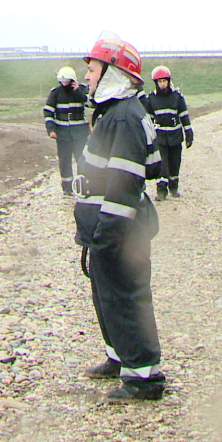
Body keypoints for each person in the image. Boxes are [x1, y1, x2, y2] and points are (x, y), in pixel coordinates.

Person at [72, 32, 166, 401]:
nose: (88, 77)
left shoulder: (124, 118)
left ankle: (144, 378)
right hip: (107, 227)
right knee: (106, 296)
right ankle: (119, 358)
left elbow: (126, 184)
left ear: (112, 71)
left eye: (93, 68)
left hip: (119, 230)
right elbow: (153, 166)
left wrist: (107, 234)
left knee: (126, 298)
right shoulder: (117, 112)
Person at [145, 65, 194, 200]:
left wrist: (189, 133)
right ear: (156, 83)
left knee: (175, 162)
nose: (162, 84)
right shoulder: (151, 99)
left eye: (164, 81)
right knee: (162, 164)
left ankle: (174, 187)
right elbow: (148, 120)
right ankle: (161, 190)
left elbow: (184, 116)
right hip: (159, 136)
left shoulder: (177, 97)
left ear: (168, 81)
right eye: (159, 82)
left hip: (175, 135)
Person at [44, 66, 89, 195]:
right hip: (63, 135)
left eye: (67, 81)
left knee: (82, 159)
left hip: (79, 134)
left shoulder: (82, 91)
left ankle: (82, 186)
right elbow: (48, 112)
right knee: (64, 161)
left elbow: (92, 103)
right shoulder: (55, 93)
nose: (64, 84)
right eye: (62, 82)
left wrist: (78, 91)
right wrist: (51, 129)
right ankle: (67, 188)